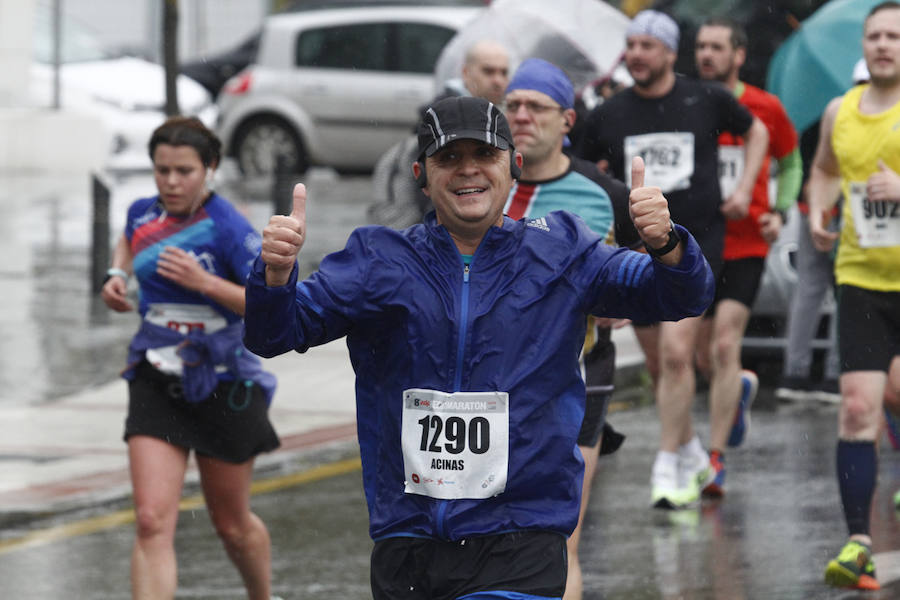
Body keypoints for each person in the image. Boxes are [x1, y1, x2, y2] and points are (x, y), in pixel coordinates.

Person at [244, 95, 715, 599]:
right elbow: (275, 334)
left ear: (513, 166)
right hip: (408, 539)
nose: (468, 171)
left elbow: (682, 294)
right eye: (448, 158)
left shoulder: (563, 251)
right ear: (421, 175)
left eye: (484, 155)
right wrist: (275, 276)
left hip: (521, 532)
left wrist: (666, 243)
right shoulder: (378, 261)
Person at [576, 9, 769, 510]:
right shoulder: (611, 113)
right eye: (631, 45)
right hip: (635, 253)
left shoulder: (703, 98)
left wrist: (745, 188)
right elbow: (579, 167)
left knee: (681, 356)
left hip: (694, 247)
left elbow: (759, 133)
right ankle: (689, 449)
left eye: (647, 46)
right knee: (662, 368)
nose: (636, 54)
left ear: (668, 53)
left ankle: (665, 465)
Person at [100, 116, 280, 600]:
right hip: (157, 376)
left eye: (184, 171)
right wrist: (115, 276)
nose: (172, 182)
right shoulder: (141, 213)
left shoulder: (227, 228)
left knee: (231, 525)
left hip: (224, 384)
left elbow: (266, 303)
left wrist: (204, 284)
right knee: (151, 520)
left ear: (210, 168)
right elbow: (127, 238)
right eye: (162, 171)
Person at [501, 57, 635, 600]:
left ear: (567, 119)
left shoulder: (604, 193)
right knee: (490, 535)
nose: (522, 116)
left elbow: (651, 273)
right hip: (492, 383)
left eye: (536, 106)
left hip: (577, 375)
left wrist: (623, 299)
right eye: (512, 105)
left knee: (562, 537)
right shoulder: (480, 184)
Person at [807, 2, 900, 591]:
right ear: (862, 45)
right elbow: (824, 168)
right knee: (858, 408)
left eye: (896, 35)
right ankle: (859, 543)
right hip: (860, 276)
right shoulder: (839, 112)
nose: (885, 44)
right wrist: (821, 207)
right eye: (876, 35)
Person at [692, 17, 802, 496]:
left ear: (738, 54)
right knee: (697, 356)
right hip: (698, 241)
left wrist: (779, 210)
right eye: (700, 47)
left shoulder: (764, 106)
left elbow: (792, 160)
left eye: (717, 47)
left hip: (747, 242)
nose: (706, 56)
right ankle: (735, 391)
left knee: (723, 346)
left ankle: (715, 460)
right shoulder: (689, 103)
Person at [368, 40, 510, 229]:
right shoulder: (428, 133)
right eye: (488, 71)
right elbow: (396, 220)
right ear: (466, 73)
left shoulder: (507, 123)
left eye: (504, 72)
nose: (498, 80)